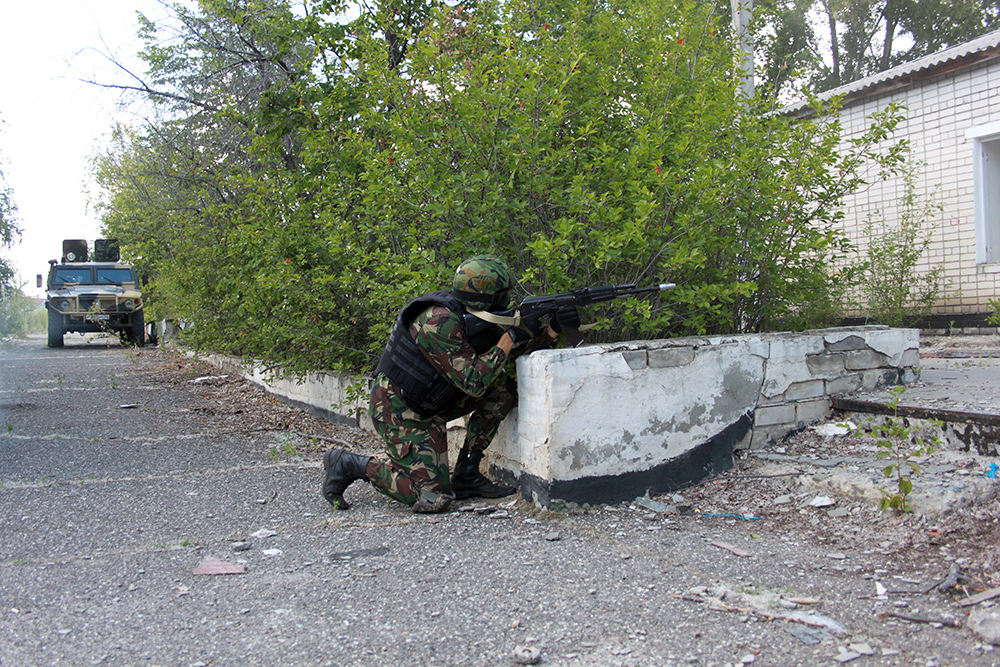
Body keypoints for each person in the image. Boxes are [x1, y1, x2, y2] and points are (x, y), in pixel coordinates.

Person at [321, 254, 579, 513]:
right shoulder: (438, 320)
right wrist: (511, 336)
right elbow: (474, 381)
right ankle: (348, 463)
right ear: (487, 295)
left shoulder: (477, 314)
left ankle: (467, 474)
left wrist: (551, 330)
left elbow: (504, 361)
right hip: (400, 410)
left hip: (432, 400)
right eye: (503, 293)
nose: (507, 298)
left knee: (502, 392)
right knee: (432, 498)